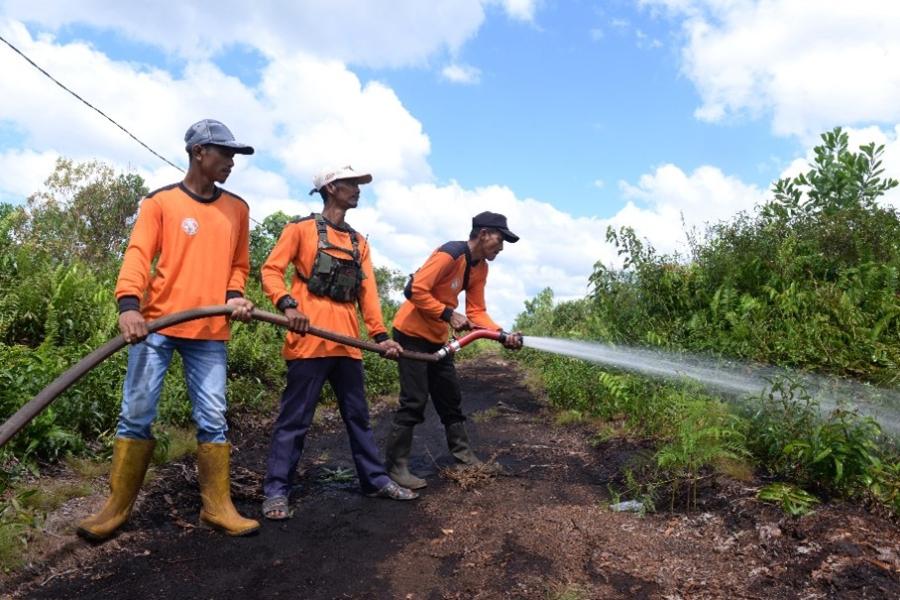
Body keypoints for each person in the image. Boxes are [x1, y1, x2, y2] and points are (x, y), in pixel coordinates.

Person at [77, 119, 260, 541]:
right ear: (199, 152)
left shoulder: (238, 208)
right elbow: (139, 255)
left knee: (213, 419)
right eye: (225, 153)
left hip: (210, 330)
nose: (231, 163)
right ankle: (115, 508)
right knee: (136, 414)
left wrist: (235, 295)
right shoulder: (160, 203)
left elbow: (239, 264)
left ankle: (218, 507)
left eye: (234, 156)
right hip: (158, 325)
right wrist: (129, 306)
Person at [260, 165, 418, 520]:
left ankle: (374, 480)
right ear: (331, 188)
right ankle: (276, 491)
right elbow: (271, 271)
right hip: (309, 341)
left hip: (347, 344)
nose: (358, 189)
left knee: (358, 417)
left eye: (359, 184)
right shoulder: (299, 230)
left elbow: (368, 294)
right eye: (352, 184)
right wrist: (288, 304)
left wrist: (379, 336)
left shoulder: (359, 242)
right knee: (295, 420)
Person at [385, 212, 524, 489]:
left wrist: (501, 335)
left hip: (437, 339)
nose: (502, 246)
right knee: (414, 400)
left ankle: (464, 455)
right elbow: (414, 290)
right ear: (483, 234)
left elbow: (477, 311)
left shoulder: (481, 267)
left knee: (450, 398)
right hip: (410, 334)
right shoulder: (451, 253)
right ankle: (395, 466)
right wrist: (448, 314)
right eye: (500, 239)